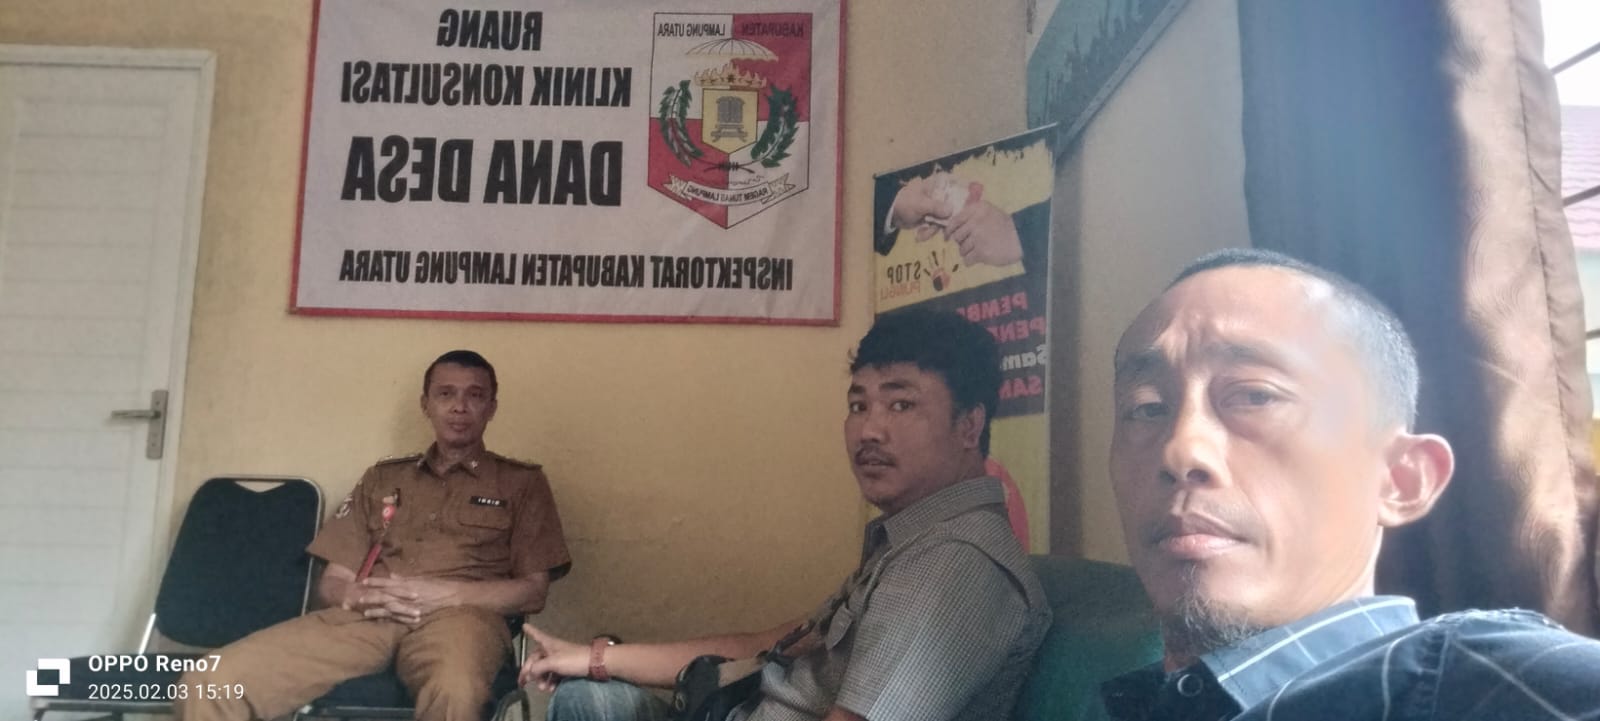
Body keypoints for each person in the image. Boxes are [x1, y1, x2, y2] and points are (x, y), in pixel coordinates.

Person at [1100, 247, 1600, 720]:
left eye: (1255, 396)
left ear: (1401, 479)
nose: (1181, 451)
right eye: (1146, 408)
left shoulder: (1479, 682)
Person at [520, 309, 1051, 721]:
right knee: (591, 697)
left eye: (901, 404)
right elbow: (765, 645)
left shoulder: (953, 562)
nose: (869, 430)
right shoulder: (912, 540)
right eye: (859, 405)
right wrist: (593, 658)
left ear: (969, 425)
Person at [176, 350, 571, 721]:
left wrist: (448, 594)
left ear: (492, 408)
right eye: (445, 394)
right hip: (369, 616)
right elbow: (333, 582)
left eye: (475, 395)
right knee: (211, 680)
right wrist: (359, 596)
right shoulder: (383, 478)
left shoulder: (522, 483)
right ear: (426, 404)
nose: (459, 407)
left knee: (454, 692)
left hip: (463, 622)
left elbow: (533, 592)